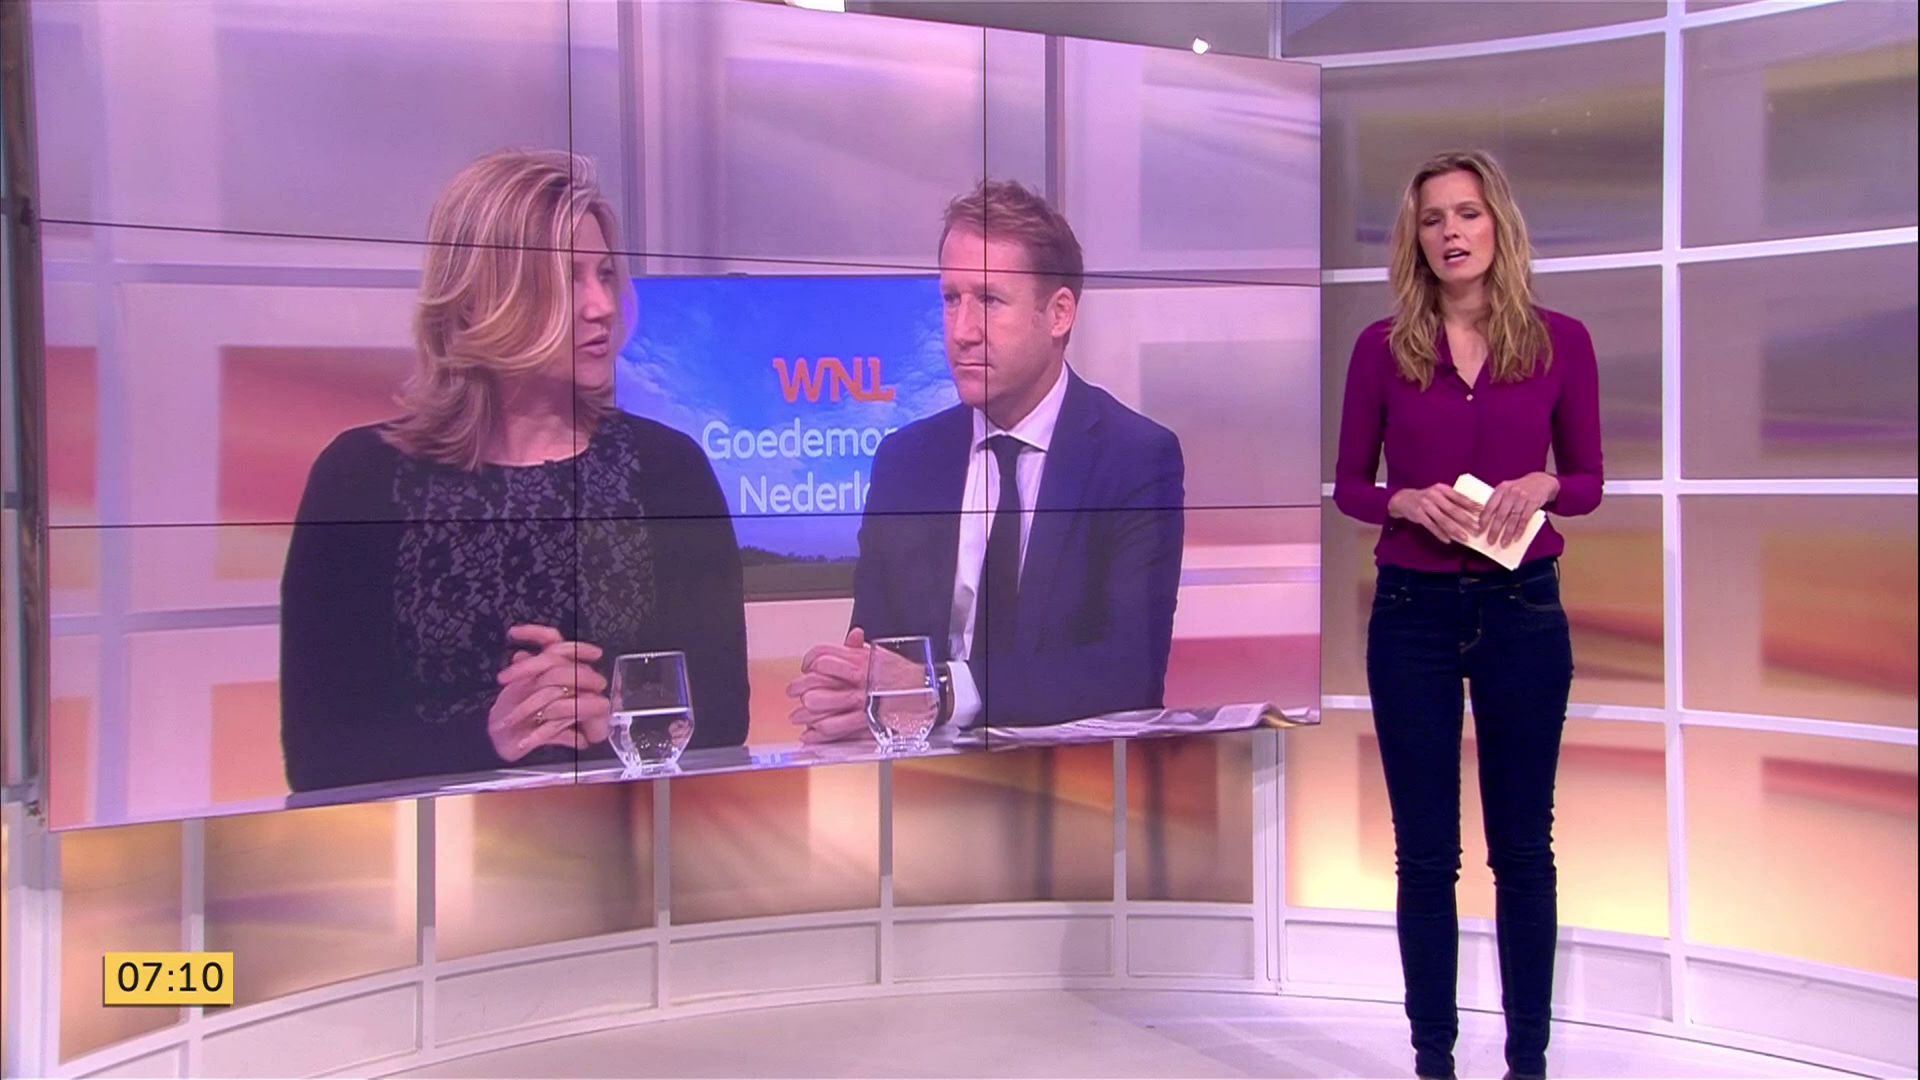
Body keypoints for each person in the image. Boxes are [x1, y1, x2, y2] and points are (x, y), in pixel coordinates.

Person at [279, 149, 749, 793]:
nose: (600, 306)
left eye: (604, 276)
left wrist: (614, 726)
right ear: (483, 298)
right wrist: (490, 737)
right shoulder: (359, 481)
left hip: (629, 837)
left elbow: (722, 722)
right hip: (426, 849)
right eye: (567, 281)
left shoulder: (669, 471)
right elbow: (319, 757)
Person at [1334, 150, 1603, 1080]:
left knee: (1522, 849)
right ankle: (1434, 1061)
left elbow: (1590, 480)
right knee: (1425, 855)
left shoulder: (1561, 341)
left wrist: (1546, 484)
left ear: (1499, 226)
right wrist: (1403, 501)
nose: (1451, 232)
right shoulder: (1381, 348)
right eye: (1433, 219)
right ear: (1415, 239)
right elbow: (1351, 486)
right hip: (1411, 611)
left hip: (1522, 607)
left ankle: (1527, 1063)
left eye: (1468, 214)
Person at [786, 179, 1185, 739]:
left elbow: (1128, 673)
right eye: (952, 299)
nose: (962, 332)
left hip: (1077, 775)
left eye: (990, 301)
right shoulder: (906, 463)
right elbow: (881, 658)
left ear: (1059, 314)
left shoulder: (1134, 459)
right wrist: (852, 687)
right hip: (925, 776)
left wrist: (945, 691)